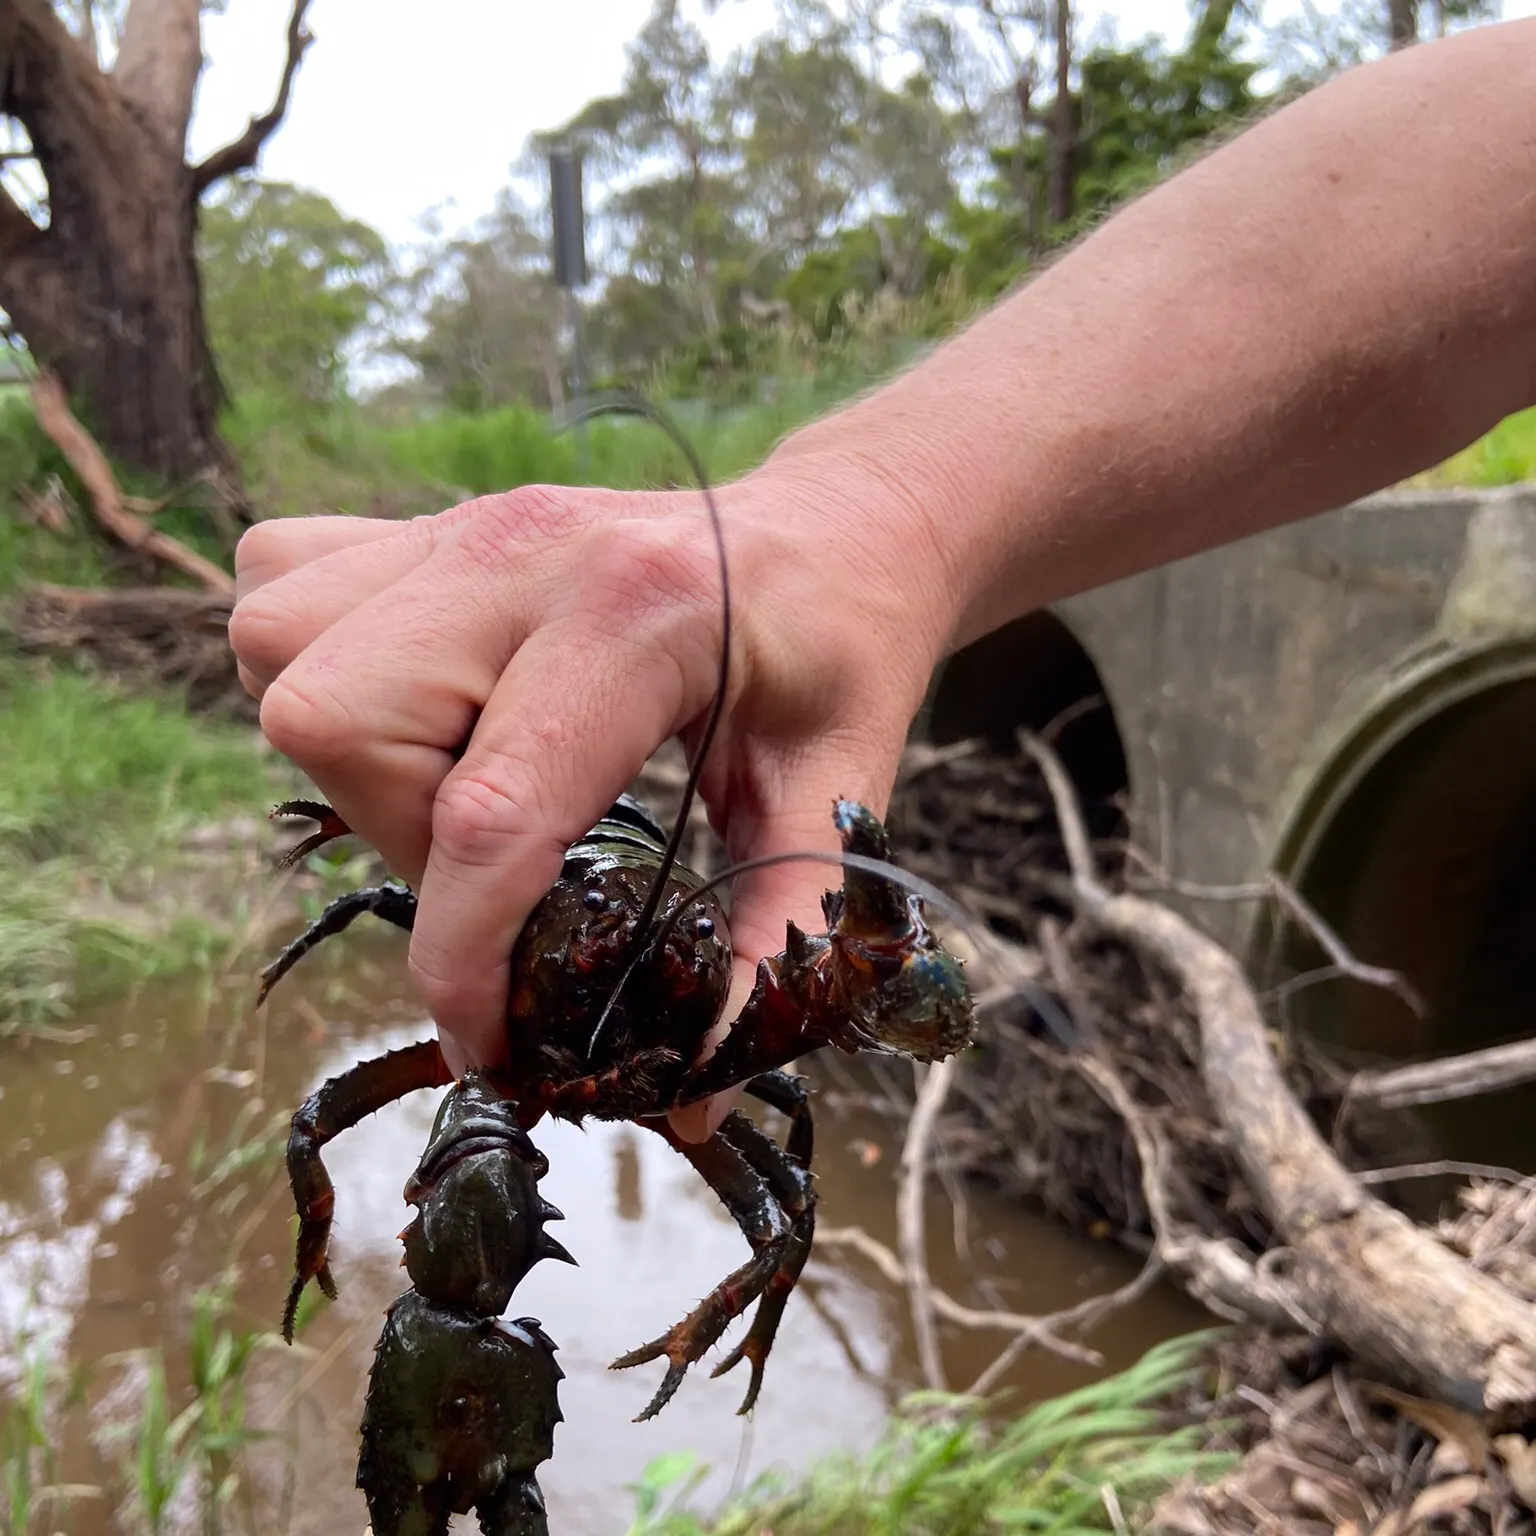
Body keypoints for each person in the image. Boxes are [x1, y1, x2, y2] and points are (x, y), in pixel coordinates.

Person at [230, 17, 1536, 1141]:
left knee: (785, 1143)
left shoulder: (710, 983)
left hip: (678, 1037)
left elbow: (928, 1017)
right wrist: (881, 515)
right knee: (329, 1123)